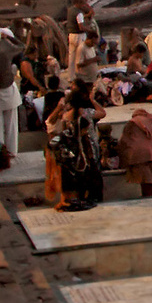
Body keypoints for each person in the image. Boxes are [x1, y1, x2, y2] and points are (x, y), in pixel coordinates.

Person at [46, 82, 104, 211]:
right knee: (92, 171)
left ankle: (80, 196)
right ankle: (91, 196)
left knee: (78, 173)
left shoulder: (66, 116)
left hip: (74, 149)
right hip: (89, 148)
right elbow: (102, 113)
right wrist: (92, 100)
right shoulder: (87, 113)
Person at [118, 107, 152, 197]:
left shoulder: (132, 123)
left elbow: (124, 141)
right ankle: (151, 196)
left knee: (145, 178)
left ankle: (147, 197)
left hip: (138, 155)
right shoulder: (150, 122)